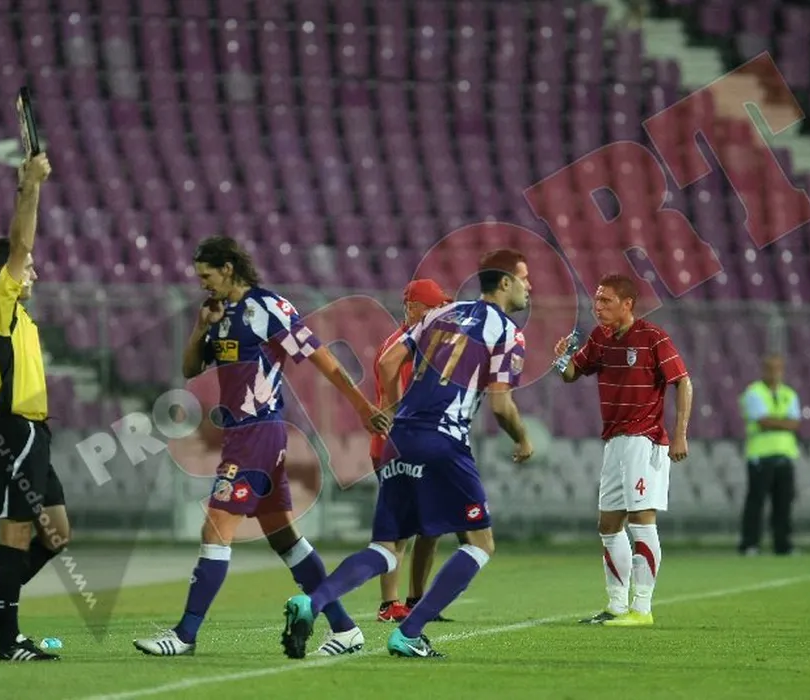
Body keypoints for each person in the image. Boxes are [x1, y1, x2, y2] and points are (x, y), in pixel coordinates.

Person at [133, 235, 390, 657]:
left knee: (215, 528)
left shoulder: (268, 308)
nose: (202, 284)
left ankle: (184, 635)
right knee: (284, 537)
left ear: (228, 268)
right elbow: (191, 368)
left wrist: (362, 407)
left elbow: (322, 359)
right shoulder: (218, 314)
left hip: (258, 433)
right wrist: (201, 327)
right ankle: (345, 629)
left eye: (207, 275)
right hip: (244, 434)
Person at [280, 248, 534, 660]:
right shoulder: (508, 333)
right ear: (505, 283)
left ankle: (312, 602)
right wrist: (522, 439)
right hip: (444, 439)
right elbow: (502, 406)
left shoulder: (441, 314)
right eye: (524, 278)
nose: (529, 287)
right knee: (480, 543)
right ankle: (410, 632)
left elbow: (388, 361)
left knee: (385, 547)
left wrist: (395, 410)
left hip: (400, 439)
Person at [0, 153, 68, 661]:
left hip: (35, 434)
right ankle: (8, 641)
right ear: (8, 273)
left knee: (56, 534)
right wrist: (31, 186)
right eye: (28, 268)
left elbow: (23, 251)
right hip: (12, 433)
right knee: (16, 534)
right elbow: (21, 243)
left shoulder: (21, 317)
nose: (35, 273)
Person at [555, 273, 693, 627]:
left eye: (606, 301)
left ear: (627, 304)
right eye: (597, 299)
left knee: (641, 520)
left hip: (644, 440)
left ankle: (642, 608)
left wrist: (680, 434)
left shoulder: (652, 337)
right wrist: (562, 357)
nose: (597, 306)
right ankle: (616, 605)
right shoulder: (600, 338)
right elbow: (571, 374)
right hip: (614, 440)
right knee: (608, 523)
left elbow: (683, 382)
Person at [371, 279, 453, 624]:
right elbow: (399, 392)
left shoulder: (425, 343)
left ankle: (417, 600)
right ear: (413, 308)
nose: (441, 313)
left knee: (431, 526)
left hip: (422, 443)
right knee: (400, 528)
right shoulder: (404, 346)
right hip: (398, 444)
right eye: (434, 307)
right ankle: (389, 604)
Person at [738, 354, 801, 556]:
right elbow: (762, 421)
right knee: (756, 502)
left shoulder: (789, 393)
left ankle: (783, 545)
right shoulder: (754, 392)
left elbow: (795, 423)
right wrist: (784, 422)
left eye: (777, 368)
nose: (774, 373)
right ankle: (750, 544)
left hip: (785, 455)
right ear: (764, 370)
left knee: (783, 503)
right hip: (761, 455)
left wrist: (774, 421)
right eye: (770, 368)